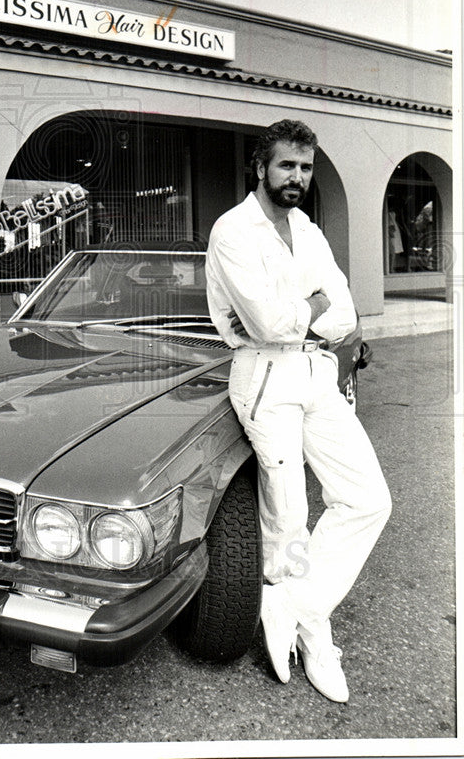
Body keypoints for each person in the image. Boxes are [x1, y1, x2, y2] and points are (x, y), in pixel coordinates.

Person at [205, 119, 391, 703]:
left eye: (306, 168)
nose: (298, 178)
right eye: (287, 165)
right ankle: (317, 639)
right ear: (260, 167)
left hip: (315, 371)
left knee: (367, 499)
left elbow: (344, 314)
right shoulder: (232, 230)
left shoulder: (308, 228)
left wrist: (304, 311)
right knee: (287, 518)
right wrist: (310, 305)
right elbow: (265, 323)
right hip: (263, 376)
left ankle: (289, 605)